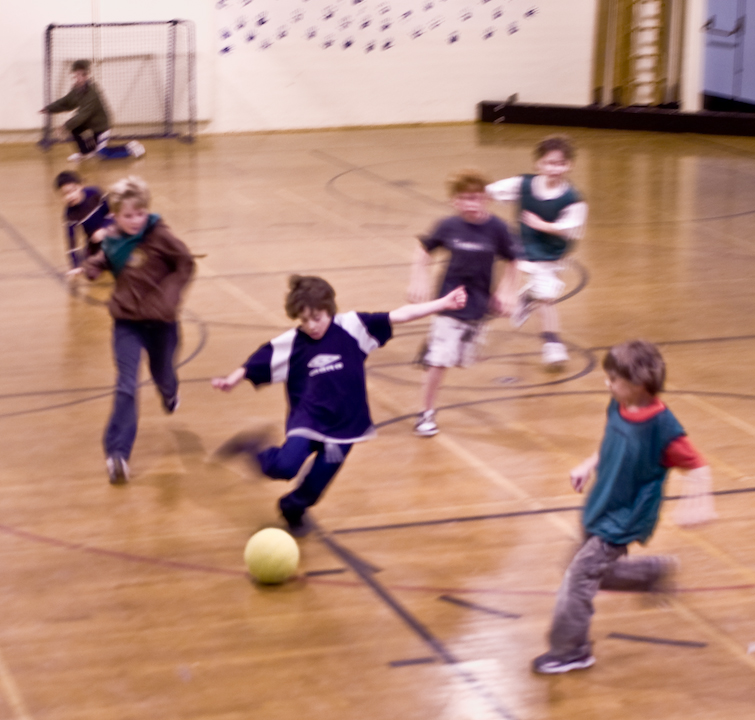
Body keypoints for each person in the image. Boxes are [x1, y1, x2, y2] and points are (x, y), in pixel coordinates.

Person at [211, 275, 467, 532]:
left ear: (329, 310)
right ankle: (252, 447)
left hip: (344, 424)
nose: (311, 325)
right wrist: (232, 379)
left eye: (317, 317)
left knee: (316, 484)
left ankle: (292, 507)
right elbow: (258, 360)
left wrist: (442, 303)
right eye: (304, 320)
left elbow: (400, 315)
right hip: (307, 419)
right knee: (284, 467)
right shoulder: (293, 342)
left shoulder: (353, 326)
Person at [532, 340, 716, 675]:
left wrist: (698, 503)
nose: (607, 383)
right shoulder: (618, 405)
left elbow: (699, 467)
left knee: (579, 575)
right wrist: (588, 464)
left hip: (623, 518)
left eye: (613, 379)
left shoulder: (663, 429)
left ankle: (571, 650)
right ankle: (652, 573)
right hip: (601, 502)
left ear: (636, 384)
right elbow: (611, 442)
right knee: (581, 570)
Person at [72, 176, 195, 484]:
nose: (135, 220)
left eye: (140, 213)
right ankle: (117, 454)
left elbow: (186, 264)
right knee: (126, 384)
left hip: (162, 323)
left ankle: (170, 393)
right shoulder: (112, 237)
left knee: (162, 374)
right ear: (114, 215)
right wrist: (93, 265)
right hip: (127, 322)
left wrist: (170, 297)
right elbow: (106, 255)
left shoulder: (160, 235)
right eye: (128, 215)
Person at [407, 169, 520, 438]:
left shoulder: (498, 229)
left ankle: (435, 347)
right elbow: (423, 249)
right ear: (454, 201)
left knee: (461, 360)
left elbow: (513, 259)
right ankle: (426, 413)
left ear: (486, 199)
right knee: (439, 361)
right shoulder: (448, 226)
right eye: (465, 198)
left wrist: (506, 291)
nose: (472, 203)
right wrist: (418, 278)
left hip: (478, 305)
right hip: (449, 301)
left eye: (477, 197)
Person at [487, 135, 587, 367]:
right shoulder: (523, 185)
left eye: (560, 163)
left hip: (551, 253)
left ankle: (533, 310)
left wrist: (543, 225)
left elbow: (571, 230)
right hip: (523, 247)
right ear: (538, 164)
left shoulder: (573, 199)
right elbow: (491, 191)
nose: (555, 168)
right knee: (535, 296)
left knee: (546, 296)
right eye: (549, 163)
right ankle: (552, 343)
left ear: (569, 165)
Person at [41, 59, 145, 162]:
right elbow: (67, 102)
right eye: (76, 75)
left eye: (82, 75)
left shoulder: (92, 93)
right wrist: (49, 108)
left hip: (101, 126)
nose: (78, 78)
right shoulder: (76, 89)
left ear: (87, 76)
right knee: (76, 129)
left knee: (102, 153)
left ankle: (131, 148)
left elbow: (82, 115)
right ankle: (85, 153)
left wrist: (65, 126)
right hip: (89, 124)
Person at [54, 170, 111, 269]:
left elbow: (114, 212)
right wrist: (75, 266)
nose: (70, 196)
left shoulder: (95, 193)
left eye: (73, 190)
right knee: (89, 270)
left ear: (81, 186)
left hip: (113, 231)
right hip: (95, 242)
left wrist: (105, 228)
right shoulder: (70, 214)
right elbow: (72, 243)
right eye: (65, 194)